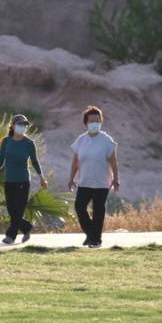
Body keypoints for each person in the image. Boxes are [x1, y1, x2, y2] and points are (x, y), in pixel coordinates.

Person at [0, 114, 48, 245]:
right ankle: (27, 227)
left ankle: (10, 236)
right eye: (20, 124)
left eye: (25, 124)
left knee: (19, 209)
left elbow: (35, 162)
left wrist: (42, 178)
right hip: (9, 180)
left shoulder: (29, 143)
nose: (22, 127)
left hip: (23, 180)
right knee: (12, 209)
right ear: (13, 126)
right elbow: (0, 159)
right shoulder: (6, 141)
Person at [68, 105, 120, 248]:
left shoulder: (107, 141)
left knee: (98, 210)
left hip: (102, 182)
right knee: (79, 207)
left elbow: (114, 162)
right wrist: (71, 178)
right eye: (91, 121)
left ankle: (95, 240)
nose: (95, 123)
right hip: (84, 181)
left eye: (97, 120)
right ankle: (91, 235)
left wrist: (116, 179)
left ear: (101, 122)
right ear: (86, 123)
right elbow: (75, 162)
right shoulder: (81, 140)